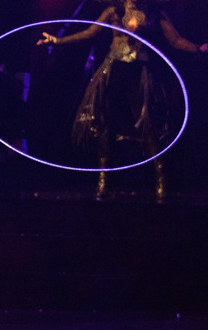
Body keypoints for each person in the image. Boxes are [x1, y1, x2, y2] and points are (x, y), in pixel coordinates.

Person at [37, 0, 207, 202]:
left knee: (147, 125)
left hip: (138, 72)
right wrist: (57, 41)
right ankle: (103, 182)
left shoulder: (153, 13)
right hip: (113, 71)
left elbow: (175, 40)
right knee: (105, 123)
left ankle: (161, 181)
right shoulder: (113, 12)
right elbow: (90, 32)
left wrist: (198, 49)